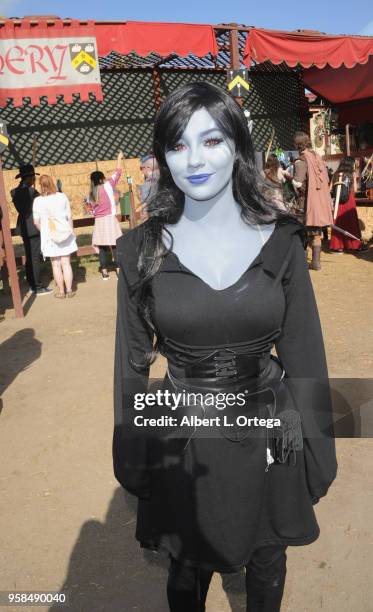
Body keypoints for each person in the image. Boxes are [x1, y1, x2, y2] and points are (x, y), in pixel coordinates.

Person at [113, 82, 337, 612]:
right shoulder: (139, 250)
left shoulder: (282, 241)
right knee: (186, 562)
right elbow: (131, 361)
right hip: (180, 425)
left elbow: (307, 353)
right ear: (163, 155)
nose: (194, 160)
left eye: (211, 141)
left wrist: (320, 448)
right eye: (178, 144)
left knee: (270, 553)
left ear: (238, 146)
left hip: (274, 420)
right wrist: (131, 451)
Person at [292, 132, 334, 271]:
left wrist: (288, 177)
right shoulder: (317, 156)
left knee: (302, 232)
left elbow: (298, 183)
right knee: (316, 234)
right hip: (320, 202)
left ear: (297, 144)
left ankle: (303, 262)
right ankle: (316, 263)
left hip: (306, 202)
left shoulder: (301, 160)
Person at [32, 175, 77, 299]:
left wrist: (45, 231)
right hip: (65, 232)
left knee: (55, 264)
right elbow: (69, 217)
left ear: (40, 185)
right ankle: (69, 290)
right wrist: (71, 231)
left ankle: (61, 291)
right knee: (66, 263)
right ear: (53, 183)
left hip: (49, 236)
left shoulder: (38, 201)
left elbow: (36, 222)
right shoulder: (62, 197)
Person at [11, 164, 52, 295]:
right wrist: (34, 192)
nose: (34, 179)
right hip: (32, 227)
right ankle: (37, 286)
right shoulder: (31, 192)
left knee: (30, 256)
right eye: (33, 177)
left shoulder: (15, 192)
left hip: (24, 228)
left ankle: (31, 283)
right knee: (34, 257)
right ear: (28, 178)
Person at [88, 151, 123, 279]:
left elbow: (91, 210)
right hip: (110, 219)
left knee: (102, 246)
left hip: (99, 221)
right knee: (115, 244)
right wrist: (119, 158)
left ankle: (104, 271)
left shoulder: (91, 194)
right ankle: (118, 268)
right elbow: (118, 172)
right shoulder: (108, 186)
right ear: (102, 179)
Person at [330, 157, 366, 253]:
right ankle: (354, 245)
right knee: (351, 223)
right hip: (349, 201)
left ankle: (338, 247)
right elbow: (355, 189)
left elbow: (330, 189)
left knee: (338, 222)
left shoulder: (335, 174)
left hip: (338, 202)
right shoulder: (351, 174)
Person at [136, 154, 160, 221]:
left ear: (148, 168)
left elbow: (147, 200)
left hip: (153, 216)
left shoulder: (150, 181)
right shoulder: (162, 178)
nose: (141, 171)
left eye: (141, 168)